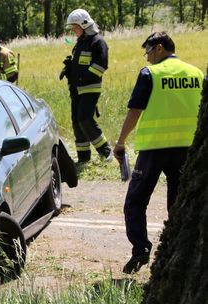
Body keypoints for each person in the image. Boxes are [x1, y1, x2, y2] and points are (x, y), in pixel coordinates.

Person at [113, 32, 203, 274]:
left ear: (160, 48)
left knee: (135, 201)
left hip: (154, 149)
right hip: (187, 149)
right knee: (178, 201)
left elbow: (135, 110)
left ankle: (141, 249)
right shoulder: (197, 73)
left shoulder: (150, 74)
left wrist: (120, 142)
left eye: (149, 51)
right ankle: (176, 250)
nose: (148, 57)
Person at [61, 9, 111, 165]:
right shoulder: (80, 43)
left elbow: (100, 65)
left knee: (85, 120)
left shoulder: (98, 42)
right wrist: (69, 68)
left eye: (75, 27)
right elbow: (79, 64)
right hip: (76, 90)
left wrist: (82, 77)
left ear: (84, 25)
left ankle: (106, 152)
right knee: (76, 122)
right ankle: (83, 158)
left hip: (90, 88)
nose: (74, 31)